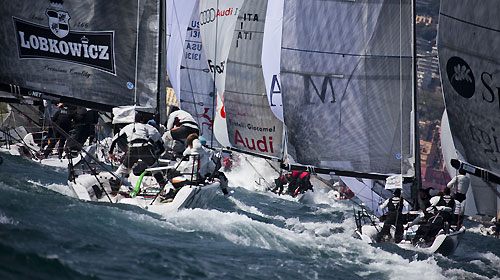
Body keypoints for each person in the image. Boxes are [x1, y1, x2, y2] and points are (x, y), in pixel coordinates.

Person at [108, 111, 166, 190]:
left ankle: (114, 188)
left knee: (124, 169)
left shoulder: (127, 127)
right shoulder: (149, 128)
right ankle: (163, 187)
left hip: (132, 149)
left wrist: (110, 152)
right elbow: (160, 143)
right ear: (143, 120)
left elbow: (114, 139)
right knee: (154, 168)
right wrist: (158, 154)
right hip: (145, 148)